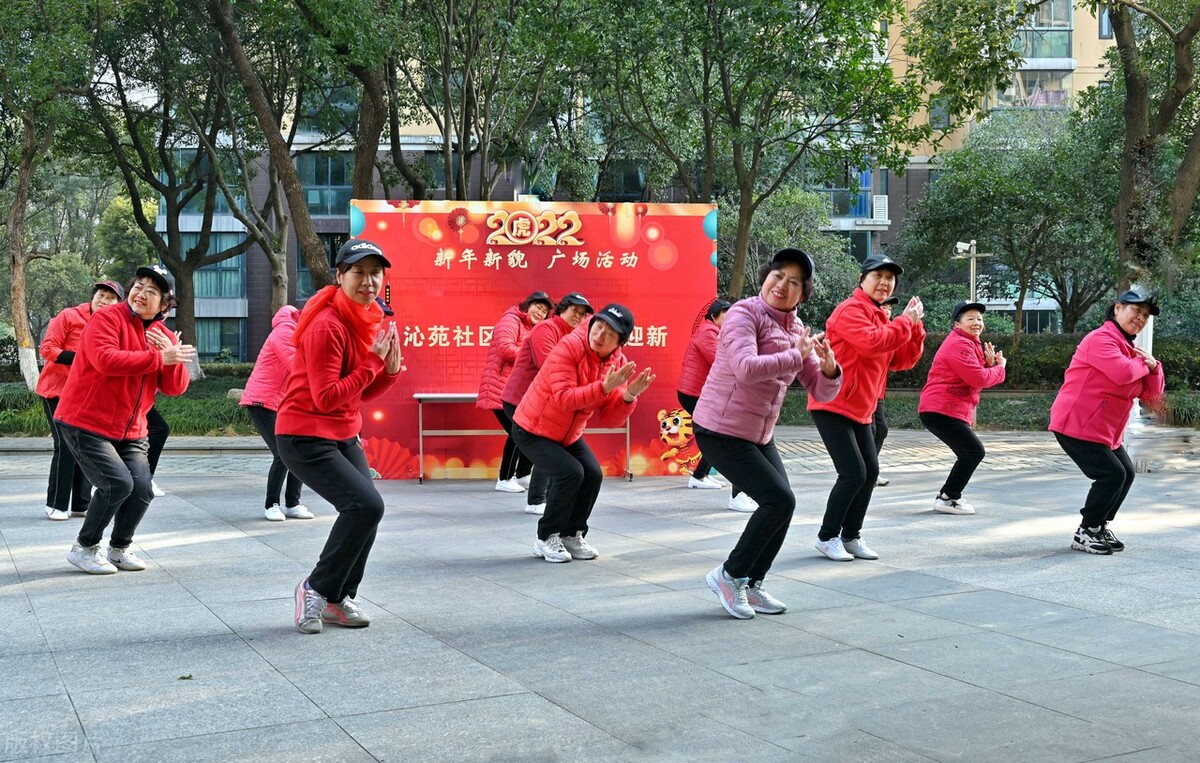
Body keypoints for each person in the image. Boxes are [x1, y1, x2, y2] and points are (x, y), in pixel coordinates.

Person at [697, 249, 841, 619]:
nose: (783, 285)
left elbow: (819, 390)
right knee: (778, 501)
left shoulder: (796, 329)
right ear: (765, 277)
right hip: (720, 429)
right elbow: (745, 369)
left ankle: (752, 582)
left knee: (783, 502)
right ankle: (730, 576)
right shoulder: (744, 314)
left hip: (757, 433)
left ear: (803, 294)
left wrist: (828, 369)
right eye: (778, 275)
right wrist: (796, 356)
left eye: (794, 282)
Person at [278, 239, 403, 634]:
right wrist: (373, 364)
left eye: (375, 273)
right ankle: (315, 588)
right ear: (339, 276)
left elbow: (358, 394)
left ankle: (338, 597)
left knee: (369, 511)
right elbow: (327, 396)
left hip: (342, 431)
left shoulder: (365, 318)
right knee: (365, 507)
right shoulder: (327, 325)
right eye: (358, 272)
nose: (368, 281)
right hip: (304, 433)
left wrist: (389, 372)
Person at [55, 265, 195, 574]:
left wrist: (171, 357)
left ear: (164, 304)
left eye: (152, 291)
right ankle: (85, 547)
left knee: (142, 489)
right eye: (138, 286)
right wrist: (160, 357)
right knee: (117, 483)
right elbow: (106, 360)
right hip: (85, 421)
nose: (141, 294)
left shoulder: (162, 335)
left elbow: (174, 388)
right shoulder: (106, 319)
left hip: (132, 430)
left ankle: (119, 548)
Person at [513, 304, 653, 562]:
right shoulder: (568, 347)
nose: (600, 335)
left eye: (610, 334)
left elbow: (610, 418)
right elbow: (564, 399)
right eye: (599, 326)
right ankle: (546, 537)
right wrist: (602, 387)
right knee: (570, 473)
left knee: (592, 474)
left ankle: (572, 534)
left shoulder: (617, 363)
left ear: (620, 342)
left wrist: (629, 395)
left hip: (567, 433)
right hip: (532, 427)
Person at [809, 254, 925, 562]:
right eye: (878, 276)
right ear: (862, 280)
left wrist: (915, 329)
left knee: (869, 472)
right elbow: (872, 342)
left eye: (890, 278)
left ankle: (851, 536)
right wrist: (904, 322)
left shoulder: (880, 317)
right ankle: (827, 536)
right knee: (852, 473)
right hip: (832, 402)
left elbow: (900, 360)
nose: (885, 283)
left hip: (861, 407)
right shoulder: (850, 310)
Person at [1050, 287, 1164, 555]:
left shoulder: (1131, 349)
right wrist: (1144, 366)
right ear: (1117, 308)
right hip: (1076, 424)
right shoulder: (1100, 339)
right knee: (1111, 474)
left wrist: (1155, 367)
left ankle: (1099, 526)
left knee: (1126, 473)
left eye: (1145, 315)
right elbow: (1122, 373)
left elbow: (1152, 395)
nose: (1140, 318)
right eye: (1136, 310)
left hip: (1105, 430)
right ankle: (1085, 531)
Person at [37, 281, 124, 520]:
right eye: (101, 294)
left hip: (86, 396)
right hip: (56, 391)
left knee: (86, 446)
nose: (104, 300)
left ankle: (80, 504)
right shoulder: (68, 315)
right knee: (65, 446)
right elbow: (47, 349)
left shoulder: (115, 326)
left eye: (110, 298)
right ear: (93, 296)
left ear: (118, 304)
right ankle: (56, 504)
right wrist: (80, 358)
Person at [500, 292, 594, 515]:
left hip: (543, 403)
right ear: (562, 309)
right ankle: (536, 501)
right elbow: (550, 366)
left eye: (582, 315)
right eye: (574, 311)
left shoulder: (572, 336)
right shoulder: (547, 329)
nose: (577, 317)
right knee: (547, 444)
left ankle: (542, 496)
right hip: (520, 399)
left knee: (551, 444)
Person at [918, 301, 1007, 515]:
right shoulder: (959, 344)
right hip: (940, 409)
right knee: (973, 451)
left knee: (970, 452)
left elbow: (971, 375)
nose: (977, 323)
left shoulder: (969, 343)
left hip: (945, 409)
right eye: (970, 318)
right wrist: (999, 368)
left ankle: (948, 496)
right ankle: (948, 498)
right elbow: (976, 378)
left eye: (979, 319)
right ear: (957, 323)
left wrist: (987, 365)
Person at [240, 305, 311, 521]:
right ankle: (271, 504)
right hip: (261, 401)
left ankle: (292, 504)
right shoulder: (285, 330)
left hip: (279, 403)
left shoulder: (298, 332)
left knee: (297, 450)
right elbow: (296, 365)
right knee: (283, 453)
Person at [478, 291, 553, 493]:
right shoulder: (511, 320)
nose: (541, 312)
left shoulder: (532, 328)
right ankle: (504, 478)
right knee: (518, 432)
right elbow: (505, 349)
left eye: (545, 311)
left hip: (515, 391)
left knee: (527, 428)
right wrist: (532, 351)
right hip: (500, 389)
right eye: (538, 306)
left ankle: (522, 474)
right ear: (528, 305)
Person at [676, 299, 729, 490]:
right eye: (726, 314)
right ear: (714, 316)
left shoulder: (714, 332)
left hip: (698, 393)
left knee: (714, 433)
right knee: (714, 433)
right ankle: (698, 476)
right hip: (693, 393)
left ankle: (701, 475)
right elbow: (718, 360)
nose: (730, 318)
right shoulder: (708, 332)